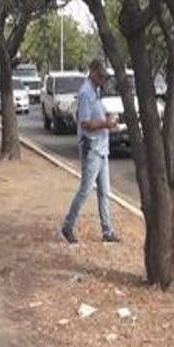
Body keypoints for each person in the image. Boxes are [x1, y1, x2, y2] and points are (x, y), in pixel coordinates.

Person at [61, 58, 121, 245]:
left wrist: (108, 120)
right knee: (85, 190)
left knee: (105, 192)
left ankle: (107, 230)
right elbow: (85, 123)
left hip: (101, 147)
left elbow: (96, 116)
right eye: (101, 76)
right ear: (93, 72)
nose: (103, 80)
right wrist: (105, 123)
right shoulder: (86, 93)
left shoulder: (95, 90)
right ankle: (68, 226)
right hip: (92, 148)